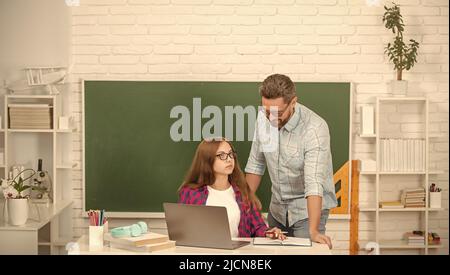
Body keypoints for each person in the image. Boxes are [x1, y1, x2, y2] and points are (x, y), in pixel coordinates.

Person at [245, 74, 338, 249]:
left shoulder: (315, 128)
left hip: (306, 211)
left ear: (293, 102)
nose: (271, 118)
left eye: (278, 113)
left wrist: (313, 231)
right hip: (277, 208)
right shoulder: (264, 118)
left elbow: (314, 183)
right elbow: (256, 164)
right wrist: (242, 206)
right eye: (267, 111)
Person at [178, 137, 286, 240]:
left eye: (230, 154)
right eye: (222, 155)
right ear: (207, 160)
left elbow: (258, 227)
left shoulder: (242, 191)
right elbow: (182, 230)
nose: (229, 159)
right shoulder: (190, 193)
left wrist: (269, 232)